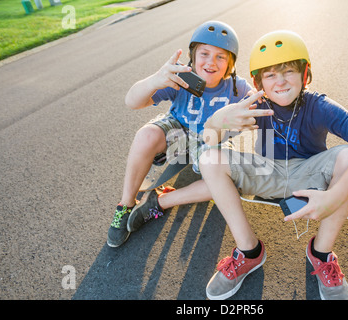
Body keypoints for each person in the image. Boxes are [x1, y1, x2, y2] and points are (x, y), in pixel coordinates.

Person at [199, 30, 348, 300]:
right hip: (267, 173)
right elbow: (208, 142)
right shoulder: (256, 106)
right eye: (270, 75)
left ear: (305, 74)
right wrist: (215, 123)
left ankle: (321, 253)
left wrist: (334, 196)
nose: (280, 82)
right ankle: (249, 251)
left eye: (288, 71)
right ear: (259, 82)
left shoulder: (318, 105)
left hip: (310, 176)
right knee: (209, 158)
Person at [107, 21, 253, 248]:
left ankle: (159, 202)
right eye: (204, 54)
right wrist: (155, 80)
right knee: (145, 135)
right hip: (178, 130)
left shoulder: (238, 87)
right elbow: (132, 101)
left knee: (230, 182)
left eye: (220, 57)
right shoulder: (181, 77)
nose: (211, 62)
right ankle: (125, 204)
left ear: (230, 64)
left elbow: (258, 109)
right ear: (193, 56)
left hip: (211, 140)